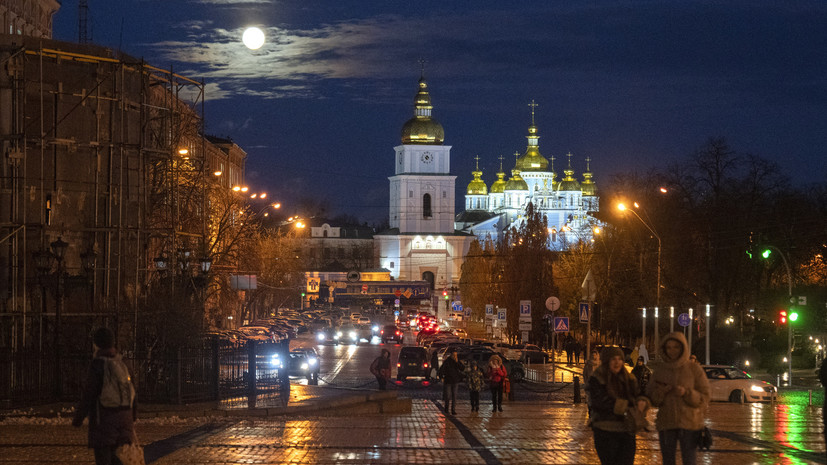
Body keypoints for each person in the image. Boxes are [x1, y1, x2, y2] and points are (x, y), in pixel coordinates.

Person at [72, 327, 138, 465]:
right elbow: (132, 391)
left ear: (97, 344)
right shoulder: (122, 363)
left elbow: (89, 394)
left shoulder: (98, 365)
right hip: (125, 420)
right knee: (118, 459)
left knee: (104, 459)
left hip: (104, 422)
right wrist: (132, 416)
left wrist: (78, 418)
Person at [647, 332, 710, 465]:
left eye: (676, 347)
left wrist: (686, 393)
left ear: (682, 348)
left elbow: (704, 397)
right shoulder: (660, 370)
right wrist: (661, 392)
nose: (672, 351)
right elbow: (652, 397)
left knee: (689, 460)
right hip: (666, 423)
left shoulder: (694, 369)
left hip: (690, 423)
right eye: (669, 347)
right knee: (668, 460)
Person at [588, 347, 650, 465]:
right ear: (606, 361)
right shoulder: (597, 378)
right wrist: (627, 407)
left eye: (620, 359)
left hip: (626, 430)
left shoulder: (630, 378)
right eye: (613, 359)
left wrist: (643, 402)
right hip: (605, 430)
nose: (617, 362)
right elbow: (600, 403)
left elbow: (639, 394)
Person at [438, 348, 465, 415]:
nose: (455, 356)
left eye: (456, 354)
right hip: (448, 381)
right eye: (454, 354)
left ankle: (453, 409)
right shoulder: (448, 361)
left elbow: (462, 368)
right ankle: (446, 409)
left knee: (454, 396)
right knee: (447, 396)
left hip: (455, 381)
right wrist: (441, 377)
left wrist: (457, 362)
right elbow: (442, 369)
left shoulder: (457, 361)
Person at [583, 349, 601, 417]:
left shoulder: (599, 364)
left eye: (595, 355)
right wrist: (586, 381)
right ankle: (590, 411)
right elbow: (584, 373)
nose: (594, 356)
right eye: (592, 355)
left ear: (597, 355)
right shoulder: (588, 364)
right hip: (590, 384)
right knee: (590, 398)